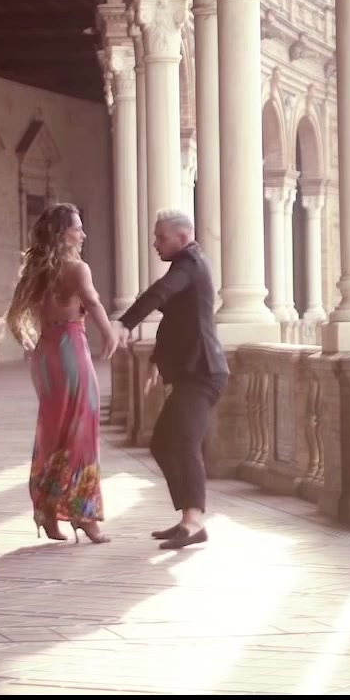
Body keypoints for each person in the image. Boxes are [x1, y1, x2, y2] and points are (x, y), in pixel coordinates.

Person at [4, 203, 118, 544]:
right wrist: (109, 335)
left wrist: (29, 344)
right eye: (77, 229)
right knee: (82, 431)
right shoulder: (77, 268)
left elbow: (14, 316)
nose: (83, 235)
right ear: (62, 233)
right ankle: (84, 516)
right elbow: (92, 303)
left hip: (45, 356)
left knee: (51, 432)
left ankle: (48, 513)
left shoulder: (35, 270)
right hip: (71, 351)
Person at [116, 209, 228, 550]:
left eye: (160, 237)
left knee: (183, 442)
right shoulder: (185, 266)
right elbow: (175, 321)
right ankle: (188, 519)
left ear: (183, 237)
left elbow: (157, 294)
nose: (155, 243)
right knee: (162, 444)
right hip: (193, 374)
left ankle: (194, 522)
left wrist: (124, 324)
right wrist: (156, 361)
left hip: (204, 374)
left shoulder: (190, 264)